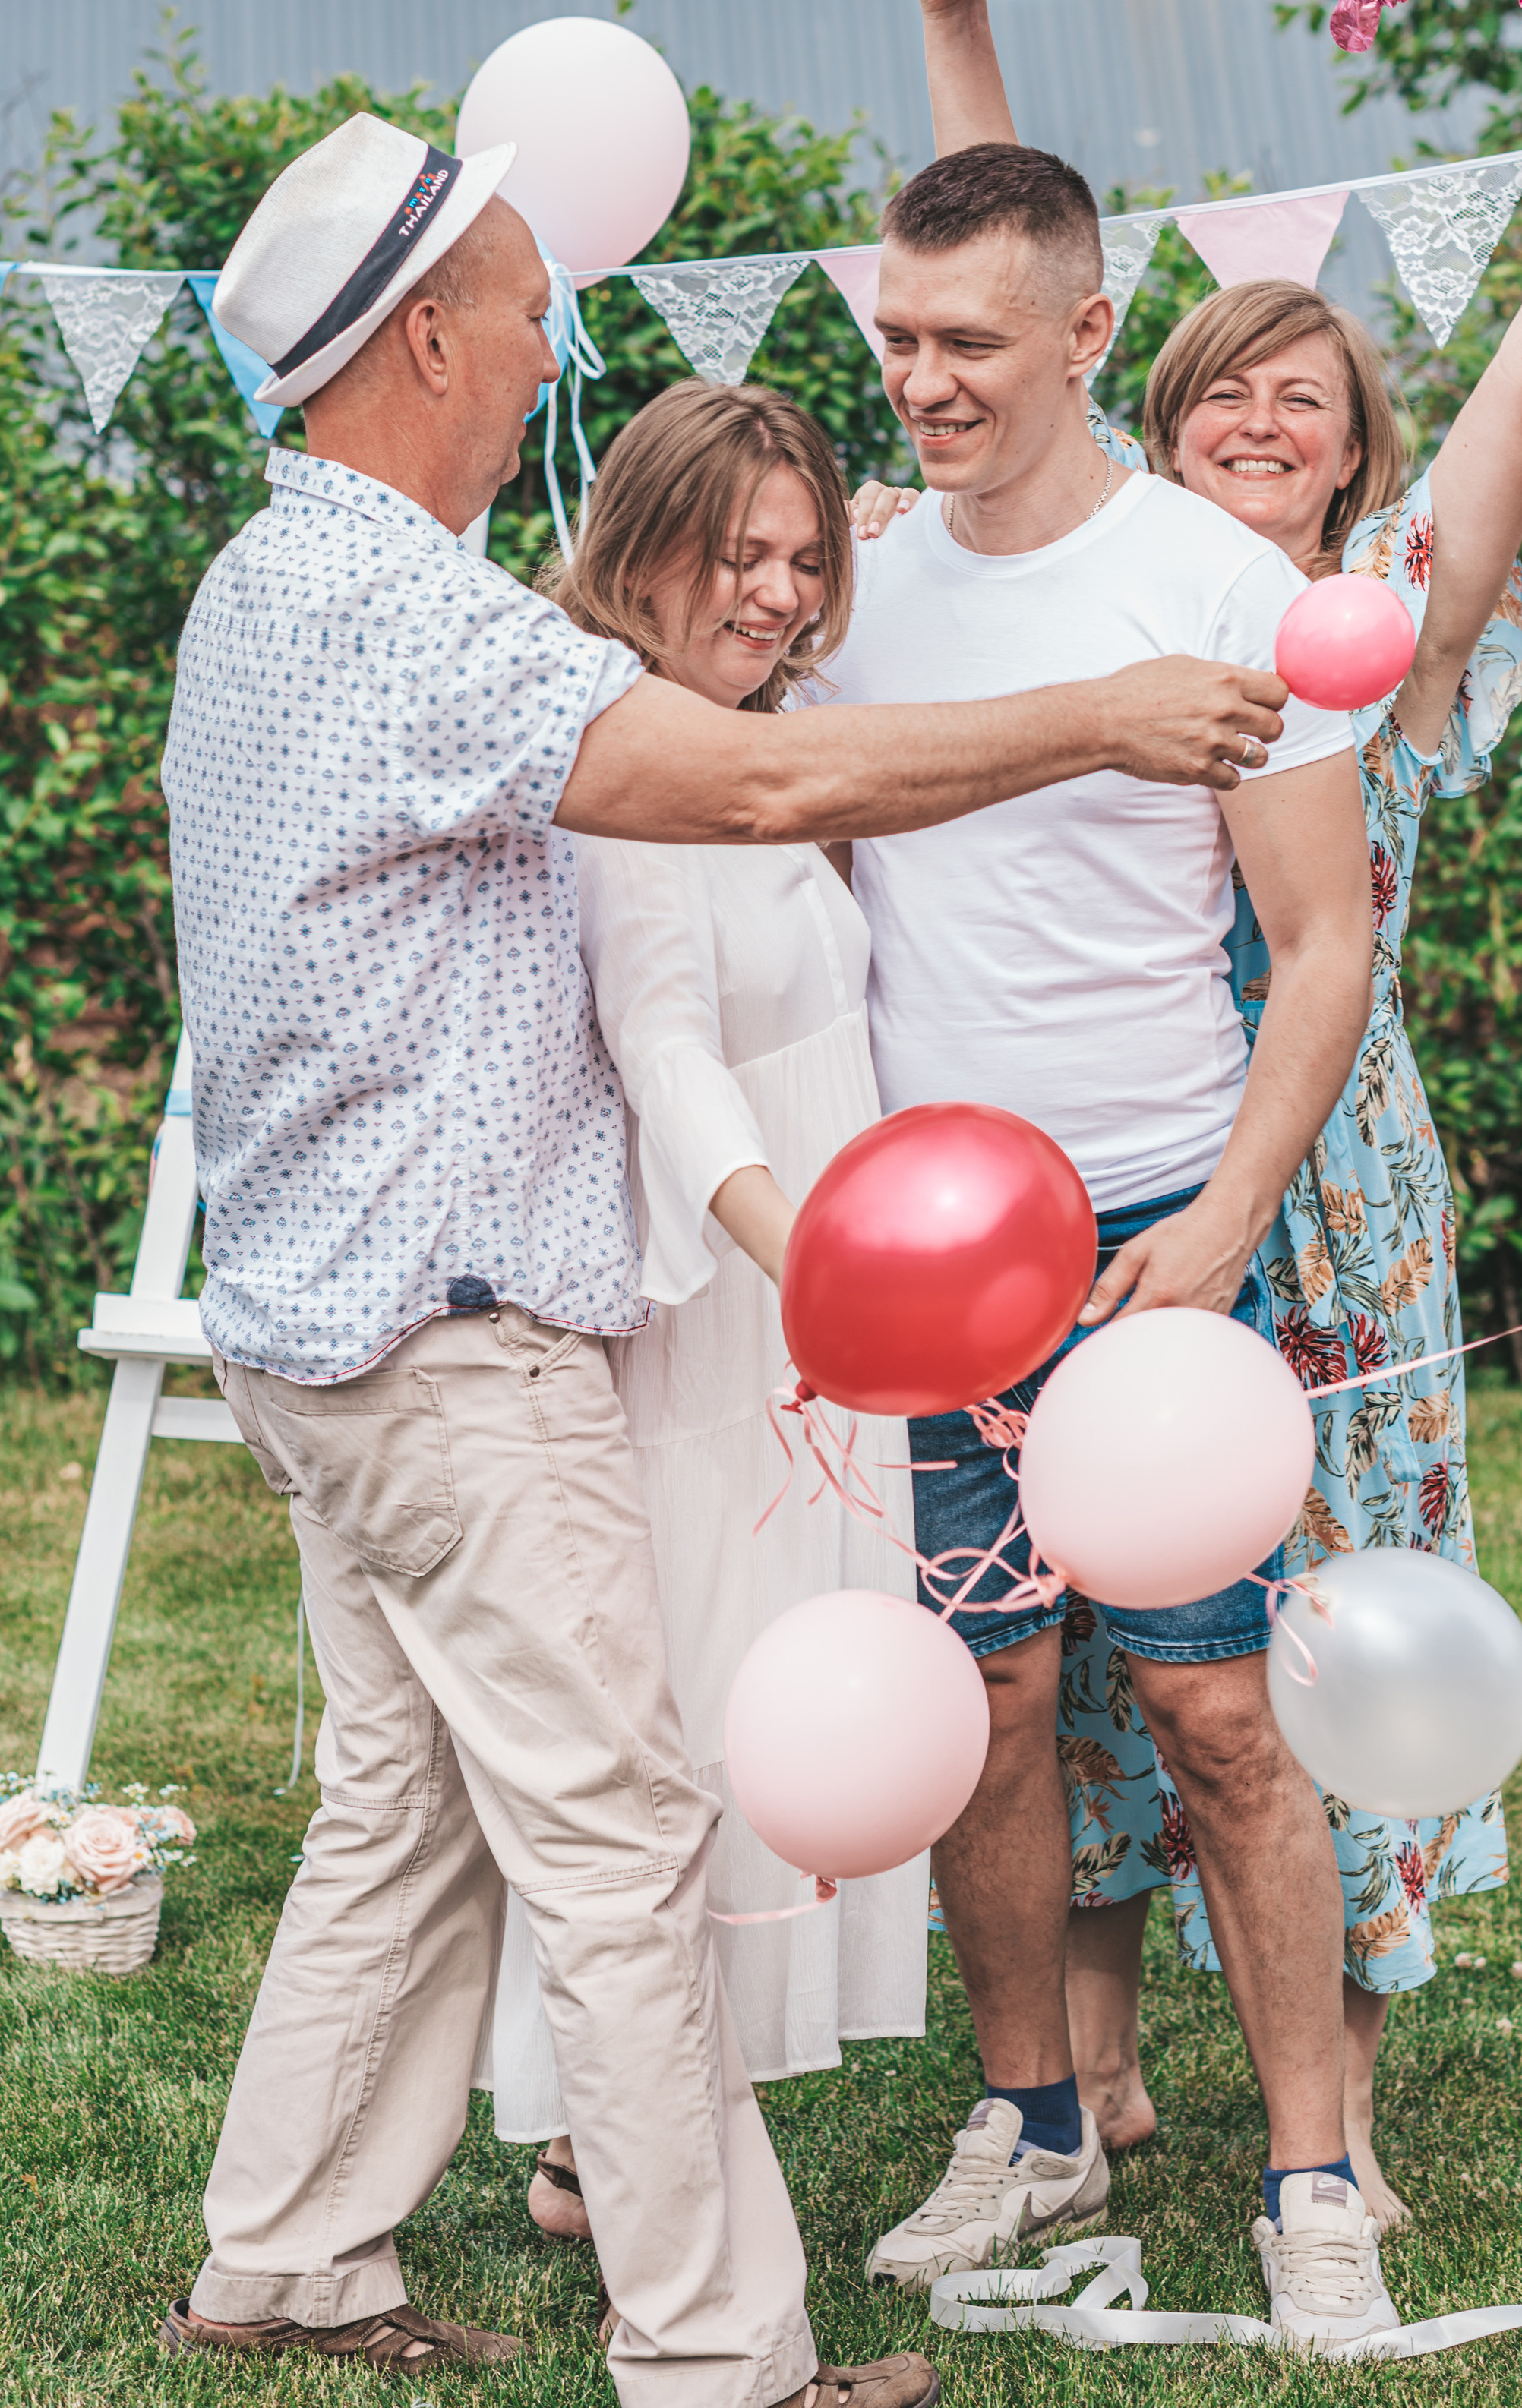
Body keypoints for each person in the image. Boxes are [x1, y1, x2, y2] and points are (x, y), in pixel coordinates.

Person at [156, 110, 1293, 2395]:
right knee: (618, 1834)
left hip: (323, 1326)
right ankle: (722, 2355)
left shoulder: (268, 579)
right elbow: (763, 787)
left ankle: (287, 2255)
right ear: (431, 341)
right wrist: (1099, 713)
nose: (548, 348)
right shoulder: (402, 605)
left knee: (407, 1814)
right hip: (450, 1338)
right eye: (523, 308)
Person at [867, 0, 1522, 2229]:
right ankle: (1085, 2088)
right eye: (1225, 388)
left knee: (1293, 1645)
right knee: (1073, 1658)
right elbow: (997, 260)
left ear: (1358, 446)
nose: (1269, 415)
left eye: (1312, 395)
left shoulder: (1372, 610)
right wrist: (961, 17)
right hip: (1081, 1142)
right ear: (1151, 407)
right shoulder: (1101, 580)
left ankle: (1326, 2109)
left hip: (1320, 1168)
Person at [819, 131, 1401, 2359]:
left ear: (1082, 334)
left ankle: (1311, 2172)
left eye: (970, 343)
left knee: (1220, 1711)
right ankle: (1032, 2113)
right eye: (897, 339)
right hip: (924, 1234)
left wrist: (1227, 1221)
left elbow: (1320, 940)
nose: (926, 383)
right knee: (987, 1699)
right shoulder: (856, 582)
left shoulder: (1222, 589)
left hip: (1161, 1222)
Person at [483, 376, 927, 2241]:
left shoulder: (760, 721)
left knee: (800, 1681)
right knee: (710, 1694)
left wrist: (890, 526)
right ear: (637, 539)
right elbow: (660, 1046)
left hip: (821, 1272)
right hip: (738, 1284)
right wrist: (804, 1250)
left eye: (800, 555)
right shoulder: (631, 762)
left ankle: (649, 2127)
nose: (773, 589)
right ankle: (610, 2127)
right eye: (732, 551)